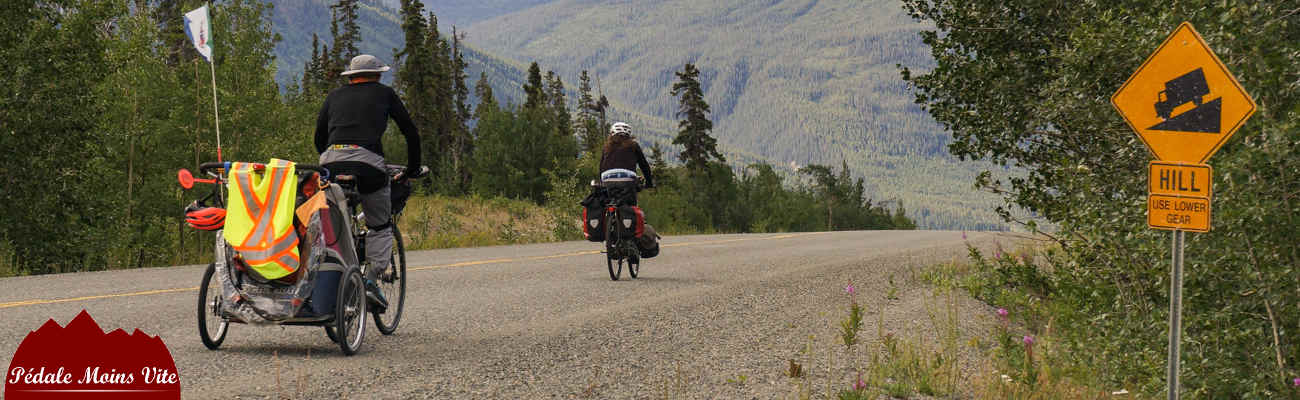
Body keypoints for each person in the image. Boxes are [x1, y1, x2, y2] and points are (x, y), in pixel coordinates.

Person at [314, 54, 420, 312]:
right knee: (380, 224)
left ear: (351, 77)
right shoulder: (384, 94)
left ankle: (332, 268)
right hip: (368, 163)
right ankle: (371, 281)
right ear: (378, 75)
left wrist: (330, 160)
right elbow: (410, 131)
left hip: (330, 162)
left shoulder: (334, 96)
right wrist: (412, 169)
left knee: (329, 218)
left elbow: (319, 136)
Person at [598, 122, 654, 204]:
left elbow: (601, 167)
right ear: (628, 135)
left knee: (607, 204)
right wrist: (649, 182)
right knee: (630, 206)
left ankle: (608, 215)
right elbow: (644, 165)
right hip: (628, 179)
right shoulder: (633, 145)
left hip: (606, 178)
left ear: (611, 135)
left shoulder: (606, 147)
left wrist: (601, 182)